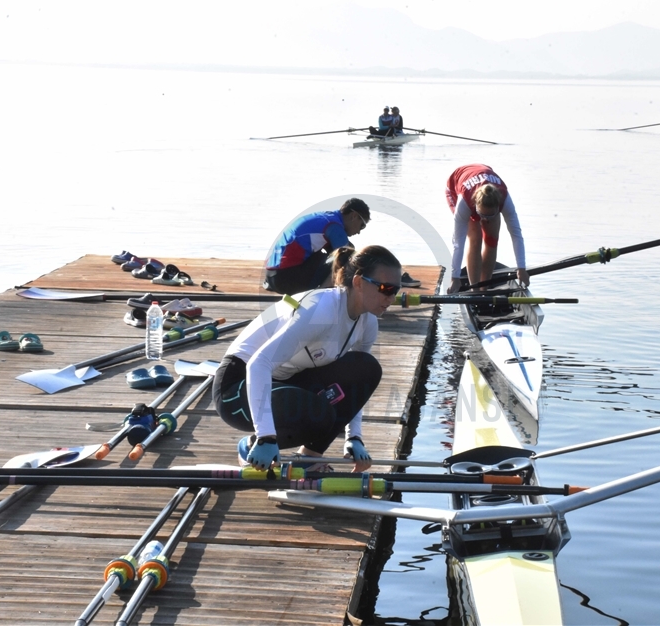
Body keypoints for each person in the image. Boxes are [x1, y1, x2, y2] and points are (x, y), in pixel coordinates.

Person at [214, 245, 403, 473]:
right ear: (359, 282)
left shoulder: (368, 321)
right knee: (320, 413)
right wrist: (266, 436)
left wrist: (354, 436)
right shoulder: (319, 310)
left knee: (367, 368)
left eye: (396, 290)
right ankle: (253, 444)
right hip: (236, 385)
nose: (391, 297)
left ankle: (310, 457)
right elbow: (258, 363)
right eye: (385, 288)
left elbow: (358, 387)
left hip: (286, 379)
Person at [445, 164, 527, 293]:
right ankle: (475, 290)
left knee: (492, 240)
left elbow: (516, 235)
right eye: (482, 215)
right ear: (476, 206)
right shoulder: (464, 203)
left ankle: (484, 288)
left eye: (490, 215)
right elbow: (458, 243)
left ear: (498, 207)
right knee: (475, 239)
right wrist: (454, 277)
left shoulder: (505, 200)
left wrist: (521, 268)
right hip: (455, 188)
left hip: (484, 176)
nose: (486, 220)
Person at [264, 198, 371, 295]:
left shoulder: (326, 218)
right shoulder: (334, 227)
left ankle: (317, 293)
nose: (359, 232)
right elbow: (348, 258)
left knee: (329, 256)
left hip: (271, 275)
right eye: (362, 225)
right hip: (283, 279)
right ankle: (316, 297)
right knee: (343, 261)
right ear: (354, 216)